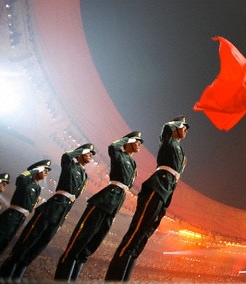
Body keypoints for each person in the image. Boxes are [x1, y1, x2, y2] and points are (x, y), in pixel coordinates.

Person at [105, 116, 189, 282]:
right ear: (175, 128)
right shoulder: (169, 140)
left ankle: (123, 278)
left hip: (167, 190)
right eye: (183, 126)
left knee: (143, 236)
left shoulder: (180, 149)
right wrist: (176, 124)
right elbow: (166, 128)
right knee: (136, 231)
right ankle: (113, 278)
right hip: (157, 186)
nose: (186, 129)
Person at [55, 131, 143, 281]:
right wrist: (126, 139)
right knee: (79, 242)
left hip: (114, 205)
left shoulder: (133, 163)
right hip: (104, 201)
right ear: (130, 142)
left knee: (90, 246)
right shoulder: (119, 155)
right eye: (137, 141)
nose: (140, 145)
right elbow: (113, 147)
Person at [0, 144, 94, 280]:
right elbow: (66, 156)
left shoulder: (84, 175)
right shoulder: (70, 165)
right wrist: (81, 150)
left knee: (37, 247)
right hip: (52, 208)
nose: (91, 155)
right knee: (26, 244)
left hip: (62, 212)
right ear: (81, 154)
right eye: (88, 153)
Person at [0, 160, 51, 255]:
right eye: (44, 169)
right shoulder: (26, 181)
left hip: (20, 218)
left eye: (47, 170)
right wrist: (35, 170)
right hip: (12, 215)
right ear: (37, 170)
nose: (46, 172)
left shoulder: (37, 188)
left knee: (5, 243)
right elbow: (21, 177)